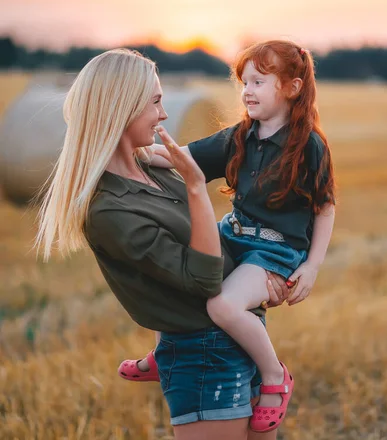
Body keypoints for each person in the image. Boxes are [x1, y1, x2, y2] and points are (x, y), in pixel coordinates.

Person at [34, 47, 288, 440]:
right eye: (155, 102)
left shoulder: (153, 168)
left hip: (242, 335)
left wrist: (270, 275)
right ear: (122, 108)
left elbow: (217, 243)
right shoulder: (109, 211)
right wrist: (195, 186)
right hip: (203, 356)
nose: (165, 114)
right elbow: (203, 279)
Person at [119, 39, 336, 433]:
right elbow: (179, 157)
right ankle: (167, 352)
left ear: (291, 87)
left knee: (223, 308)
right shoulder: (241, 137)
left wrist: (313, 266)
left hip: (274, 252)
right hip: (234, 234)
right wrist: (127, 149)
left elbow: (324, 207)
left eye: (257, 82)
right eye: (244, 83)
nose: (246, 91)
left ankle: (274, 376)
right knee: (177, 263)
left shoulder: (309, 147)